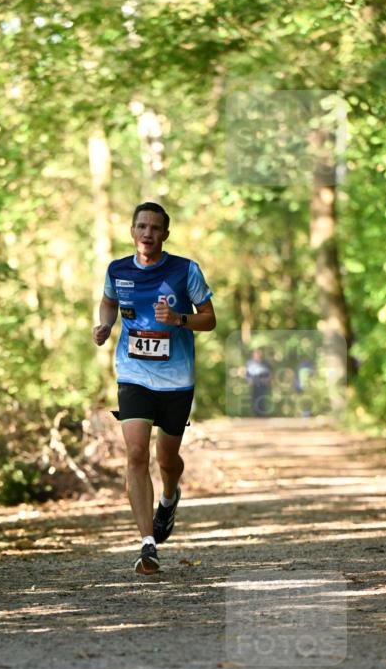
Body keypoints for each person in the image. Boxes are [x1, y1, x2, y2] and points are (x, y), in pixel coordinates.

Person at [92, 202, 216, 575]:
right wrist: (104, 325)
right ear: (132, 231)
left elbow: (209, 319)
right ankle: (147, 543)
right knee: (134, 454)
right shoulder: (117, 270)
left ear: (165, 234)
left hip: (177, 379)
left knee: (167, 461)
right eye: (141, 226)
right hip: (133, 374)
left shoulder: (185, 270)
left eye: (155, 228)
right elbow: (108, 302)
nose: (148, 233)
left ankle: (169, 495)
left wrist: (179, 319)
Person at [245, 347, 272, 417]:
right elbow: (247, 374)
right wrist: (249, 381)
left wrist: (267, 380)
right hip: (254, 384)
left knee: (262, 399)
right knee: (254, 399)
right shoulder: (250, 363)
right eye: (256, 353)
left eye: (259, 353)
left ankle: (263, 415)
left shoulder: (265, 363)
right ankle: (256, 415)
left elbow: (269, 374)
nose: (257, 355)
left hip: (263, 384)